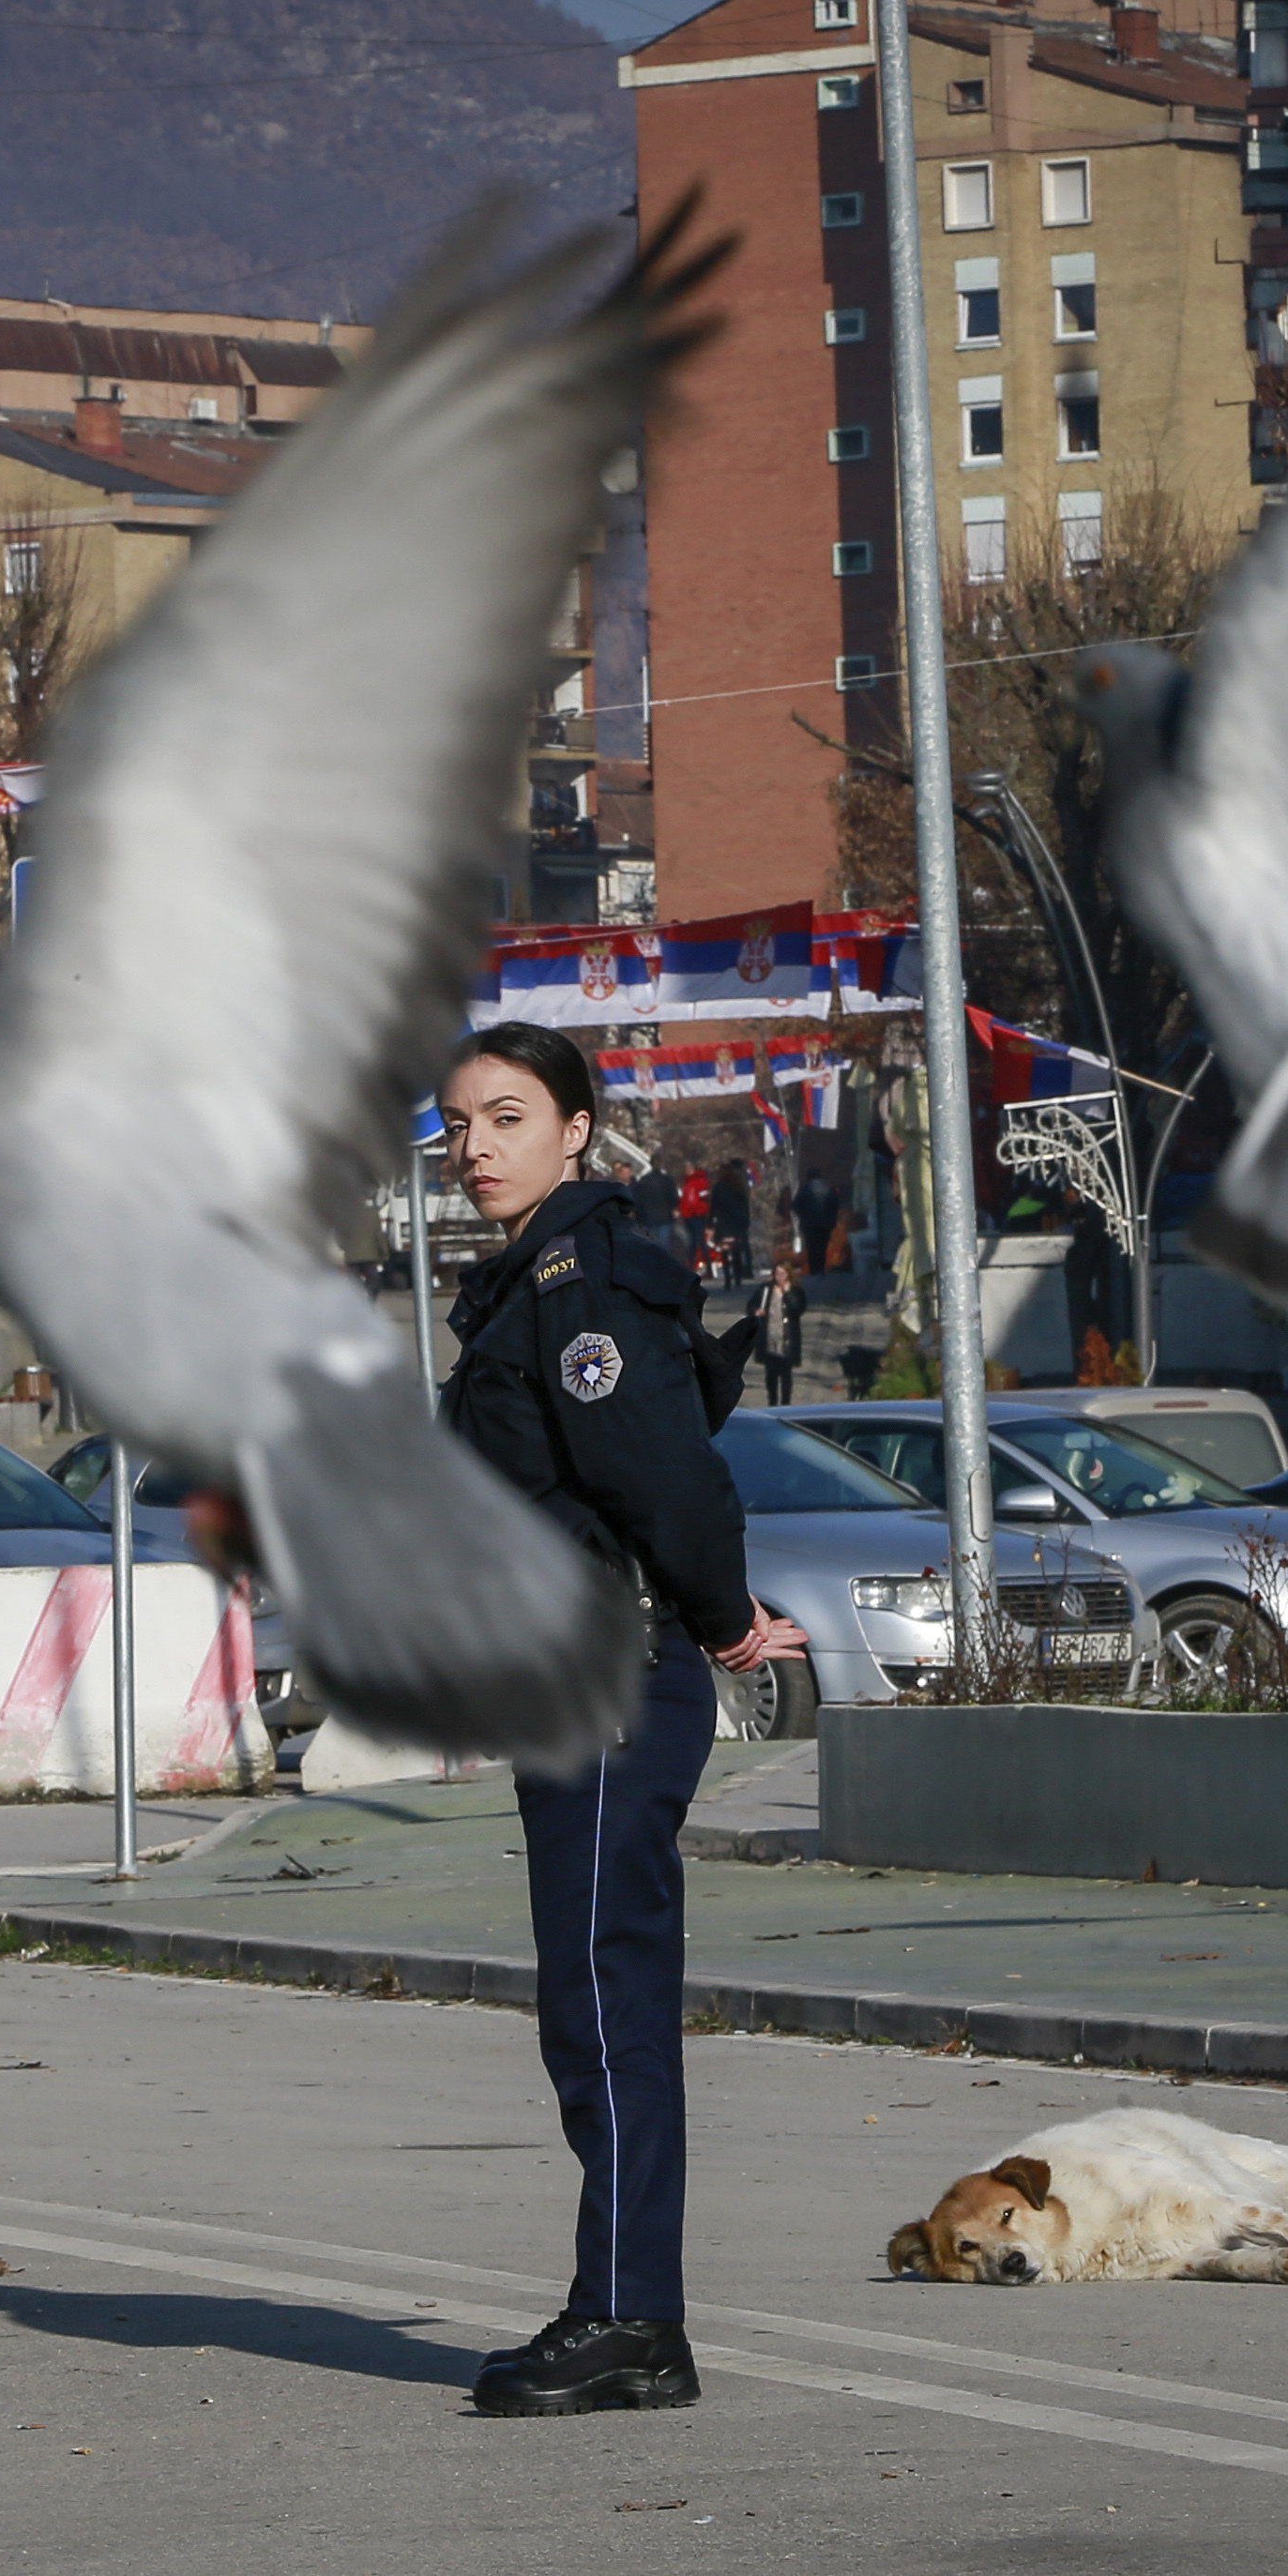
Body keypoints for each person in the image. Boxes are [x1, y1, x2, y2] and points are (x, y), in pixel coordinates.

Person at [434, 1021, 805, 2419]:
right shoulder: (530, 1285)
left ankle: (632, 2317)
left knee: (606, 1999)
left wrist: (719, 1620)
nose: (475, 1146)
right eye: (459, 1123)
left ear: (578, 1129)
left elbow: (667, 1480)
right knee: (588, 2003)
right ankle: (621, 2309)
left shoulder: (580, 1289)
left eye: (508, 1118)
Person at [759, 1261, 805, 1409]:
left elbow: (798, 1309)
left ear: (788, 1274)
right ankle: (772, 1402)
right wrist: (756, 1311)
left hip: (787, 1339)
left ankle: (786, 1404)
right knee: (770, 1374)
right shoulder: (766, 1289)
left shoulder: (796, 1291)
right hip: (770, 1337)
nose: (779, 1277)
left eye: (783, 1274)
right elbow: (752, 1304)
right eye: (777, 1273)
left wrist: (788, 1294)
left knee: (786, 1374)